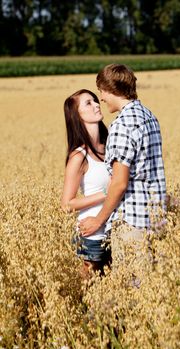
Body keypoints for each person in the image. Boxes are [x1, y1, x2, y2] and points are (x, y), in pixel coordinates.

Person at [79, 64, 166, 271]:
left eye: (101, 91)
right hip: (156, 220)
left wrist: (98, 221)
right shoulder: (149, 117)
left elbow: (119, 183)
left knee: (133, 289)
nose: (101, 98)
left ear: (111, 89)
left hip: (132, 223)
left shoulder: (121, 125)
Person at [61, 89, 110, 278]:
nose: (97, 104)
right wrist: (106, 194)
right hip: (92, 235)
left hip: (114, 229)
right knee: (90, 293)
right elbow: (66, 204)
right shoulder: (79, 156)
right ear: (77, 115)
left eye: (95, 100)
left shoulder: (110, 146)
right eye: (88, 103)